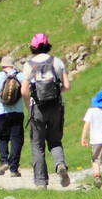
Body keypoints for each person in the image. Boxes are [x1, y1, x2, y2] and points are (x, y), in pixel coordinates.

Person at [20, 32, 73, 188]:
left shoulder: (29, 65)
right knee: (55, 140)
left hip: (37, 108)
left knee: (37, 145)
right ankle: (60, 164)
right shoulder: (57, 62)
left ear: (33, 47)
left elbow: (24, 91)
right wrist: (55, 91)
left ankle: (41, 182)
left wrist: (29, 106)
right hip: (56, 107)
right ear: (47, 45)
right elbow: (67, 86)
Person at [0, 55, 25, 177]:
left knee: (2, 138)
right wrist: (30, 110)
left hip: (1, 113)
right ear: (13, 65)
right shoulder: (21, 76)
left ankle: (3, 161)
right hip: (17, 113)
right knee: (16, 140)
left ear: (3, 65)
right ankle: (14, 169)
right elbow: (25, 94)